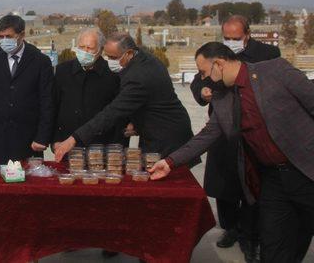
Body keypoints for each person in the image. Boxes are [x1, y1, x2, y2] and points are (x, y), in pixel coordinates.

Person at [150, 42, 314, 263]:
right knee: (273, 248)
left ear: (218, 63)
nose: (203, 78)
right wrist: (170, 162)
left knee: (300, 238)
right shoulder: (222, 97)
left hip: (306, 170)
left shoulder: (276, 71)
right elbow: (207, 135)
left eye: (204, 72)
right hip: (273, 181)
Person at [190, 15, 280, 258]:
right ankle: (231, 227)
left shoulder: (267, 55)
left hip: (254, 129)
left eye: (235, 38)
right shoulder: (215, 53)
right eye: (226, 38)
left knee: (252, 186)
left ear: (247, 35)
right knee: (224, 184)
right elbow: (198, 79)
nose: (230, 43)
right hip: (221, 128)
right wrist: (203, 91)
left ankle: (251, 235)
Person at [54, 33, 195, 164]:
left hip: (167, 139)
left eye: (113, 58)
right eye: (107, 56)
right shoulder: (143, 59)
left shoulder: (139, 77)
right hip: (156, 132)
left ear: (128, 53)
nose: (109, 62)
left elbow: (112, 112)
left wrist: (74, 139)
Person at [0, 14, 54, 181]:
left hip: (28, 140)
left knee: (26, 188)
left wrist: (42, 137)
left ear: (22, 35)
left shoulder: (40, 61)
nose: (4, 41)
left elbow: (47, 102)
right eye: (1, 37)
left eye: (9, 37)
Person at [52, 28, 128, 147]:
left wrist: (116, 148)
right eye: (81, 47)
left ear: (100, 49)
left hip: (100, 147)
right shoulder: (63, 71)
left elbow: (119, 116)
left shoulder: (112, 75)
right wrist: (55, 140)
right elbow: (53, 107)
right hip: (66, 145)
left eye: (90, 48)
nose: (85, 51)